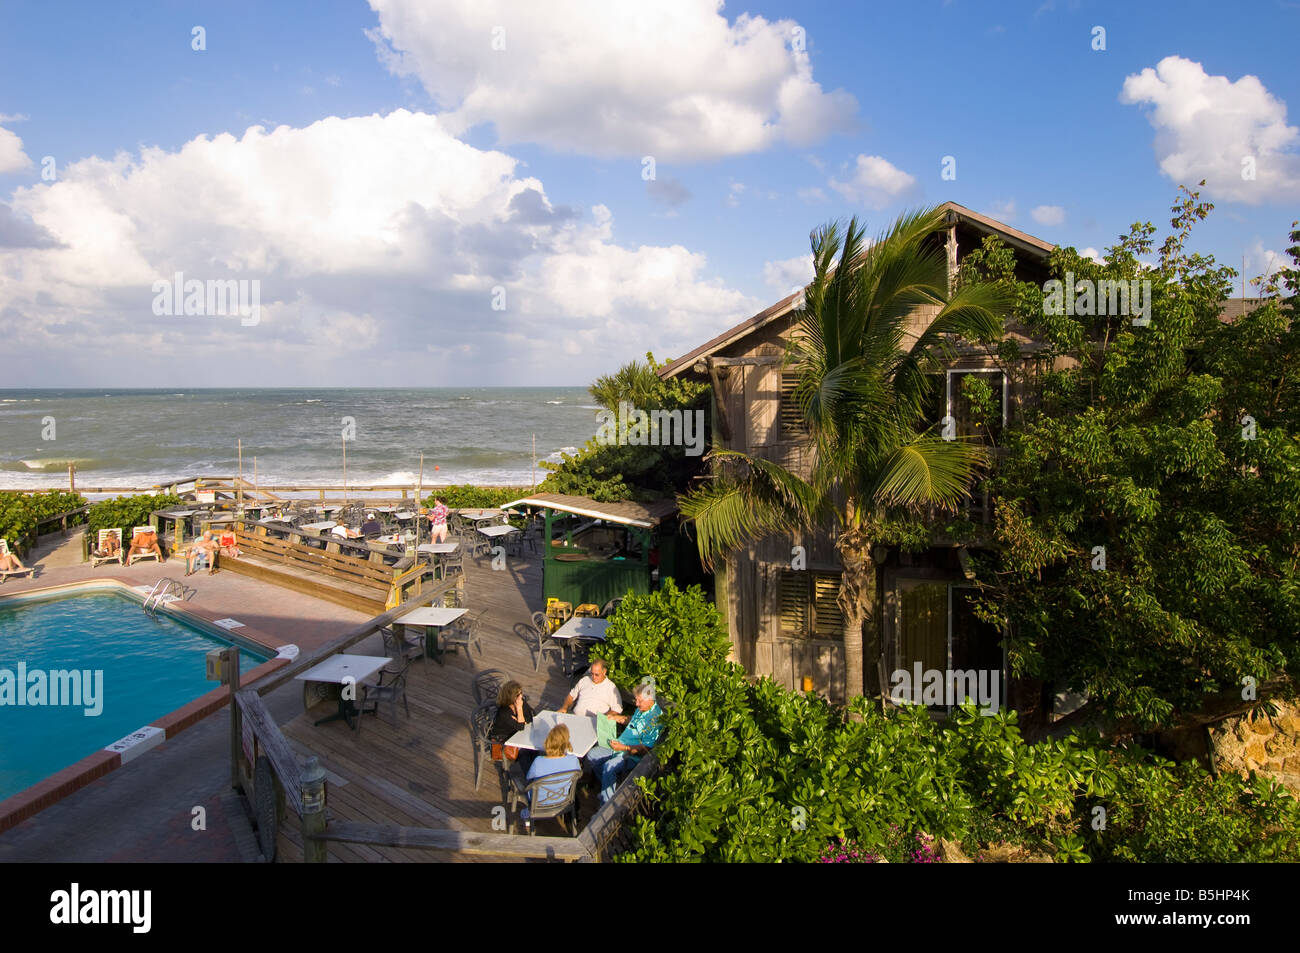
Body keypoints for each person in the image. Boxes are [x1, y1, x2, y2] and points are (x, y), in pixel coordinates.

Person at [585, 678, 662, 804]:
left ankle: (605, 803)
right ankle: (610, 791)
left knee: (609, 766)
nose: (636, 704)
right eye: (636, 700)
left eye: (639, 701)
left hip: (631, 754)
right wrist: (616, 718)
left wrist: (624, 748)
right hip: (619, 744)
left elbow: (645, 749)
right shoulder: (643, 708)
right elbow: (633, 720)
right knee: (592, 755)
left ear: (650, 700)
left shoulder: (654, 720)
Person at [491, 680, 536, 774]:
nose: (521, 697)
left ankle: (536, 771)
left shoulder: (521, 701)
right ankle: (530, 778)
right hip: (503, 740)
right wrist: (519, 709)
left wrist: (521, 720)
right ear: (510, 697)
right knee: (524, 752)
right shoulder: (504, 712)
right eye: (517, 695)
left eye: (521, 693)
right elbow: (520, 727)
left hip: (517, 735)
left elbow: (530, 717)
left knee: (534, 748)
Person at [558, 658, 623, 718]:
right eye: (592, 674)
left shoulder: (611, 688)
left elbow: (617, 709)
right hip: (576, 717)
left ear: (604, 672)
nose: (594, 677)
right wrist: (564, 707)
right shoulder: (584, 680)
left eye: (597, 674)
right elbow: (571, 695)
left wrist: (603, 718)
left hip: (595, 722)